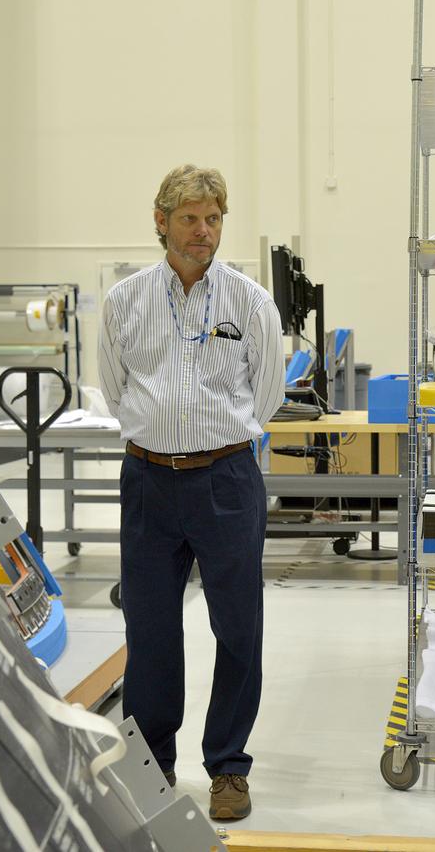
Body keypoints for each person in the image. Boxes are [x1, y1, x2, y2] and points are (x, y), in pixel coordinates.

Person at [99, 164, 285, 821]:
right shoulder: (125, 301)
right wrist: (161, 437)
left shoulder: (248, 300)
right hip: (148, 479)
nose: (202, 231)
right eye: (188, 219)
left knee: (238, 628)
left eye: (212, 219)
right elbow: (115, 387)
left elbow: (268, 390)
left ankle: (227, 767)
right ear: (161, 222)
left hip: (226, 478)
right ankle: (152, 767)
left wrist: (222, 438)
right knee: (150, 632)